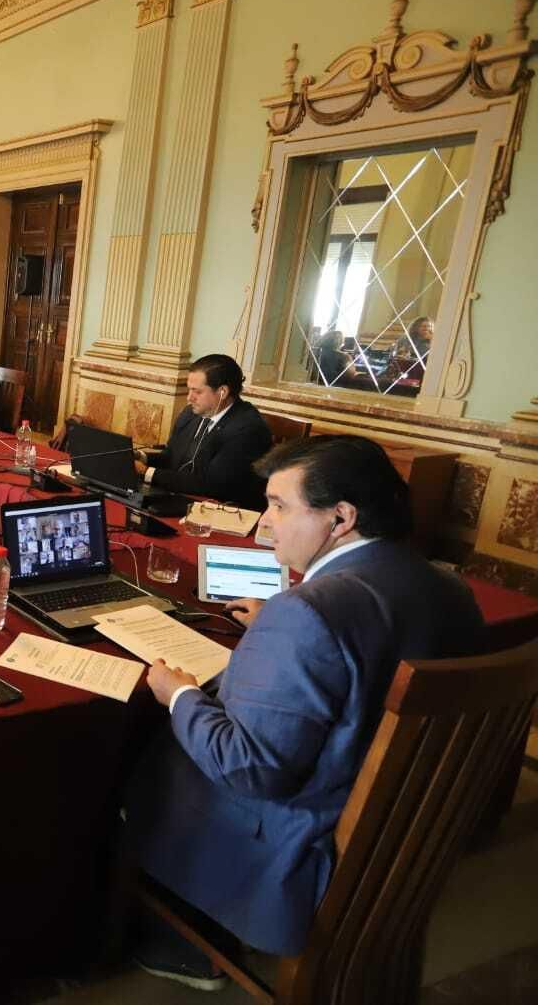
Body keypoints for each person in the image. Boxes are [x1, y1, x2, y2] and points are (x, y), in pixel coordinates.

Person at [123, 435, 484, 989]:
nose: (266, 523)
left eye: (279, 505)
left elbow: (249, 768)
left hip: (300, 849)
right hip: (406, 836)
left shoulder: (307, 614)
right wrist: (281, 622)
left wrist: (179, 695)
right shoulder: (451, 588)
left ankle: (176, 938)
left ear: (341, 517)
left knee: (127, 763)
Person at [137, 354, 273, 509]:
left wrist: (147, 473)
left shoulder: (248, 429)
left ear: (222, 392)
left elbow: (212, 485)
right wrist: (142, 457)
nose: (189, 398)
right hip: (182, 500)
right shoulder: (191, 413)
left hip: (223, 511)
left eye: (197, 391)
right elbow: (172, 457)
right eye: (189, 390)